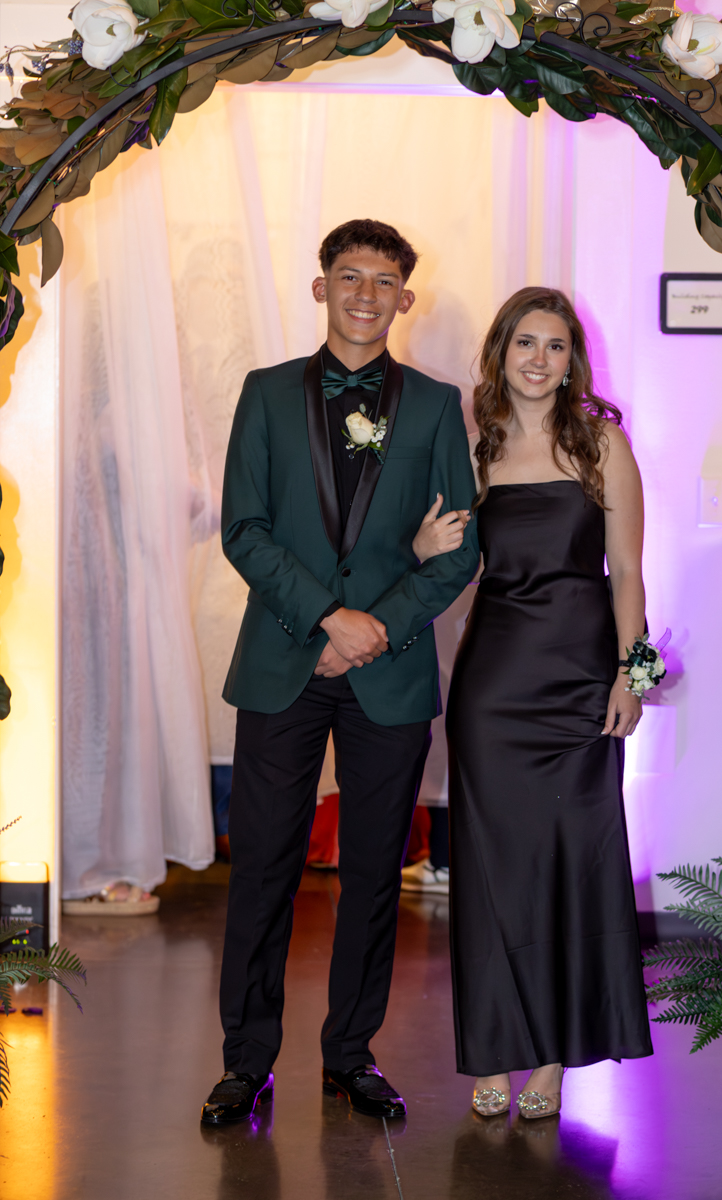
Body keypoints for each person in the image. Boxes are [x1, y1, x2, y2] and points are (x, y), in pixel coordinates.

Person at [201, 219, 479, 1125]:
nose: (367, 293)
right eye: (350, 276)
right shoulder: (266, 393)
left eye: (386, 279)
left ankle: (350, 1056)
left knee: (371, 876)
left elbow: (456, 551)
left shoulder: (438, 407)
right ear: (321, 287)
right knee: (264, 871)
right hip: (285, 658)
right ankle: (247, 1060)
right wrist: (325, 617)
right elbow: (243, 525)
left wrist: (372, 628)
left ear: (407, 295)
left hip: (387, 674)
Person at [445, 286, 654, 1121]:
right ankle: (495, 1045)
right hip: (494, 688)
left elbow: (630, 574)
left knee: (575, 866)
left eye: (555, 346)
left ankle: (554, 1060)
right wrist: (428, 545)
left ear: (574, 359)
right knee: (495, 874)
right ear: (501, 352)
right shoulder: (474, 447)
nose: (538, 359)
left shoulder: (602, 444)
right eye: (524, 343)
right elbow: (447, 562)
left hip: (580, 687)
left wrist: (629, 679)